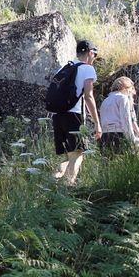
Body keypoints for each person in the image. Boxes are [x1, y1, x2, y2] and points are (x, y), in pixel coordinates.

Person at [52, 39, 101, 185]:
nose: (94, 58)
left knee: (68, 157)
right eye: (95, 55)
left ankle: (50, 185)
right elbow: (88, 96)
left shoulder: (64, 68)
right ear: (90, 53)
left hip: (57, 116)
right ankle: (67, 191)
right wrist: (97, 123)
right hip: (73, 116)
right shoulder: (87, 69)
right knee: (78, 155)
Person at [99, 76, 139, 154]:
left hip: (104, 137)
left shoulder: (105, 101)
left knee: (108, 164)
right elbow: (126, 122)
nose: (134, 92)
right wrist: (132, 140)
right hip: (118, 136)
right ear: (125, 87)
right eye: (132, 88)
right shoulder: (123, 98)